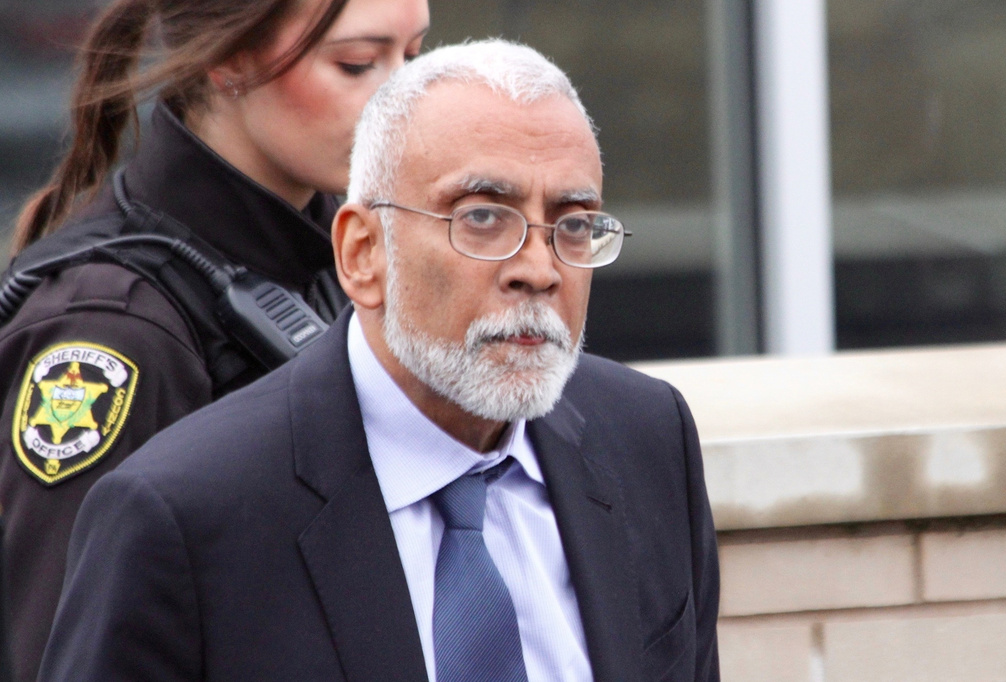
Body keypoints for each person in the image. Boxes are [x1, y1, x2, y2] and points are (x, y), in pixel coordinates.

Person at [41, 39, 720, 681]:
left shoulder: (646, 438)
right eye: (483, 216)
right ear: (363, 253)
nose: (539, 269)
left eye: (572, 224)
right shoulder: (186, 515)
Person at [0, 0, 429, 679]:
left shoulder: (333, 261)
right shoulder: (115, 333)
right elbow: (65, 650)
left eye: (413, 56)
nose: (405, 104)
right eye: (356, 63)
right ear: (227, 59)